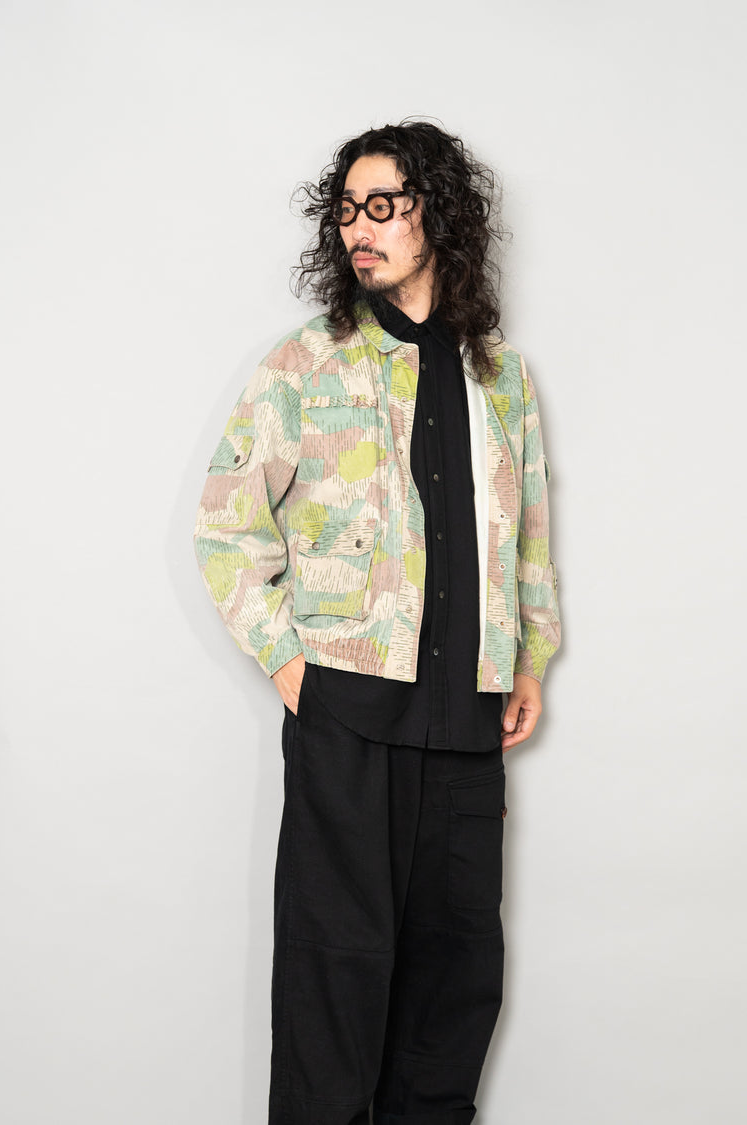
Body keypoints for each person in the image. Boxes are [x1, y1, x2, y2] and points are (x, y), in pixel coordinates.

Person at [194, 119, 561, 1125]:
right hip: (348, 716)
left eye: (385, 206)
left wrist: (530, 655)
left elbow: (529, 526)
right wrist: (289, 665)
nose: (362, 228)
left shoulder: (502, 377)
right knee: (336, 985)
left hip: (467, 723)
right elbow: (226, 525)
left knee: (455, 986)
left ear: (439, 215)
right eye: (349, 209)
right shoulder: (307, 364)